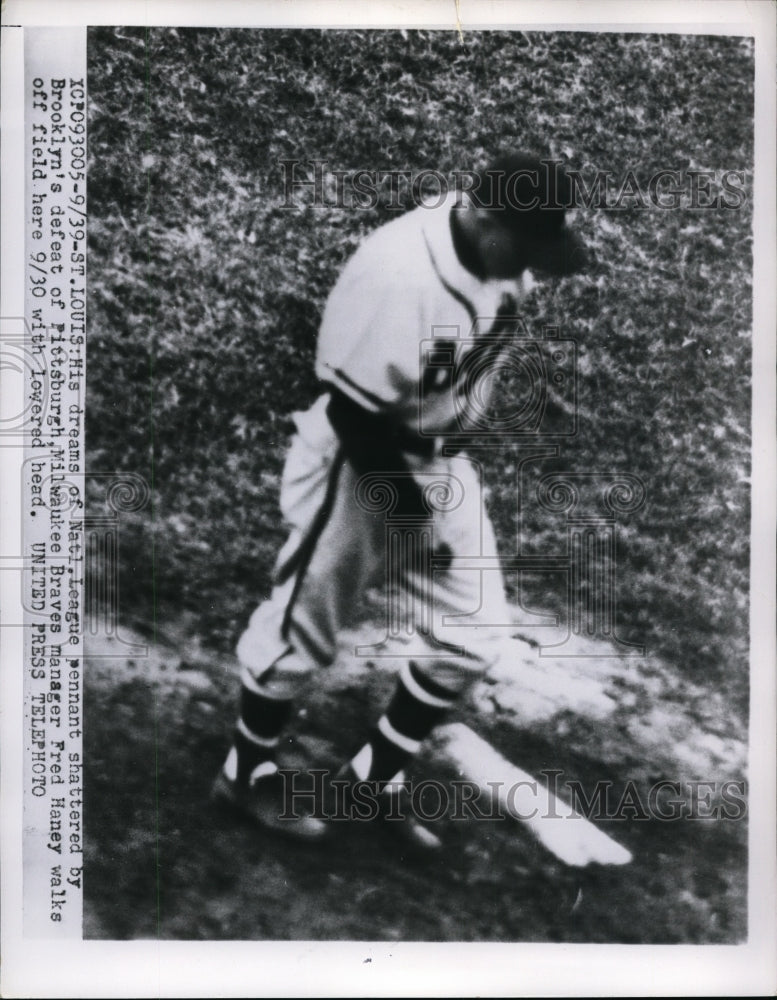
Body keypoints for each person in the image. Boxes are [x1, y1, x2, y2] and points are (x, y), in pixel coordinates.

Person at [212, 152, 587, 848]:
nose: (530, 265)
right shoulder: (399, 273)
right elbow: (356, 416)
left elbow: (475, 337)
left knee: (472, 633)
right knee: (302, 631)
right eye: (527, 245)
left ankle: (367, 783)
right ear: (483, 215)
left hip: (436, 457)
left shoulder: (497, 250)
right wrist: (413, 520)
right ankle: (244, 772)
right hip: (357, 468)